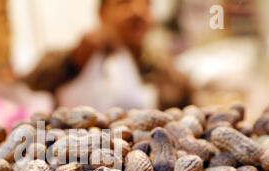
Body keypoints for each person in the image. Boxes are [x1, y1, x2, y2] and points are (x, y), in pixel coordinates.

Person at [24, 0, 192, 110]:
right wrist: (74, 59)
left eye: (146, 4)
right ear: (102, 13)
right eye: (124, 2)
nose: (137, 11)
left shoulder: (163, 70)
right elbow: (32, 84)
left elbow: (188, 104)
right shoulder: (79, 55)